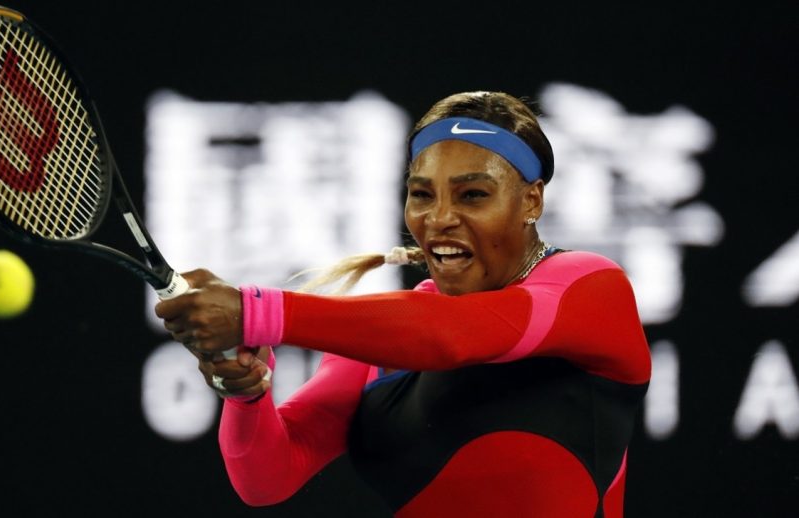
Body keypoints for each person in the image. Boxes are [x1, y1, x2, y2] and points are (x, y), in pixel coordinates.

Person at [155, 91, 652, 517]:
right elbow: (267, 478)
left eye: (472, 195)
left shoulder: (590, 288)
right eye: (421, 194)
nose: (439, 218)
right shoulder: (376, 342)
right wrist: (245, 392)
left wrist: (255, 311)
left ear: (531, 201)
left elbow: (450, 335)